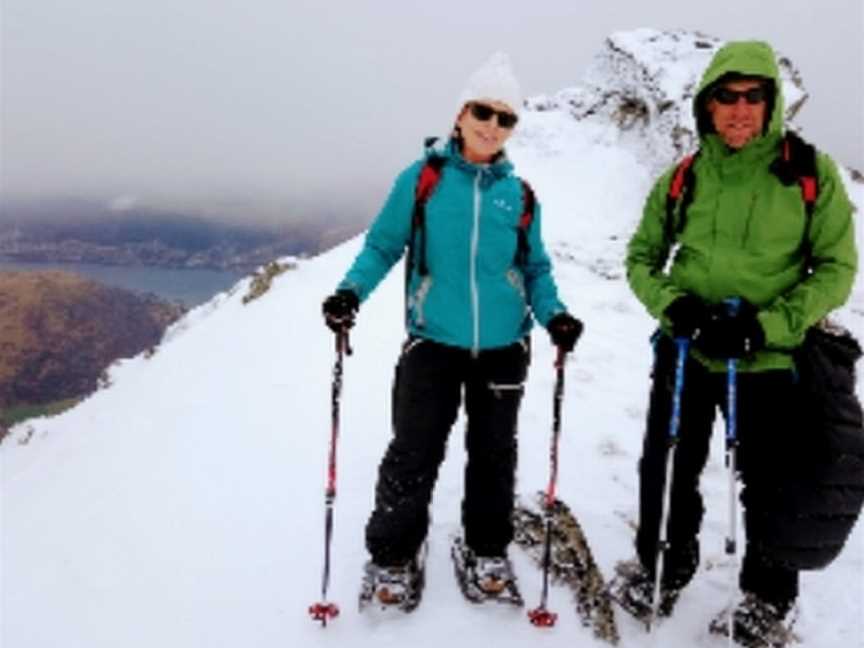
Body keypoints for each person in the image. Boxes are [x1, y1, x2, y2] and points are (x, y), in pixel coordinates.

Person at [321, 52, 583, 609]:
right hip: (432, 342)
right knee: (413, 451)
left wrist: (553, 314)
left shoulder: (520, 194)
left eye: (505, 117)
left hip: (504, 348)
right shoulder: (423, 180)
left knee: (494, 454)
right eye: (483, 111)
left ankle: (486, 548)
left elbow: (534, 268)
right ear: (461, 114)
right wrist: (350, 293)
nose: (492, 125)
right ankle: (392, 556)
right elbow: (384, 244)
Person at [617, 40, 857, 645]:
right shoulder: (685, 176)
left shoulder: (808, 172)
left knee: (774, 482)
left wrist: (763, 326)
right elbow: (643, 256)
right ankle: (663, 571)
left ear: (772, 103)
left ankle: (768, 600)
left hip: (769, 358)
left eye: (754, 97)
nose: (740, 109)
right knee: (667, 468)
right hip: (687, 350)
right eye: (727, 97)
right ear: (708, 104)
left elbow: (835, 268)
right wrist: (674, 305)